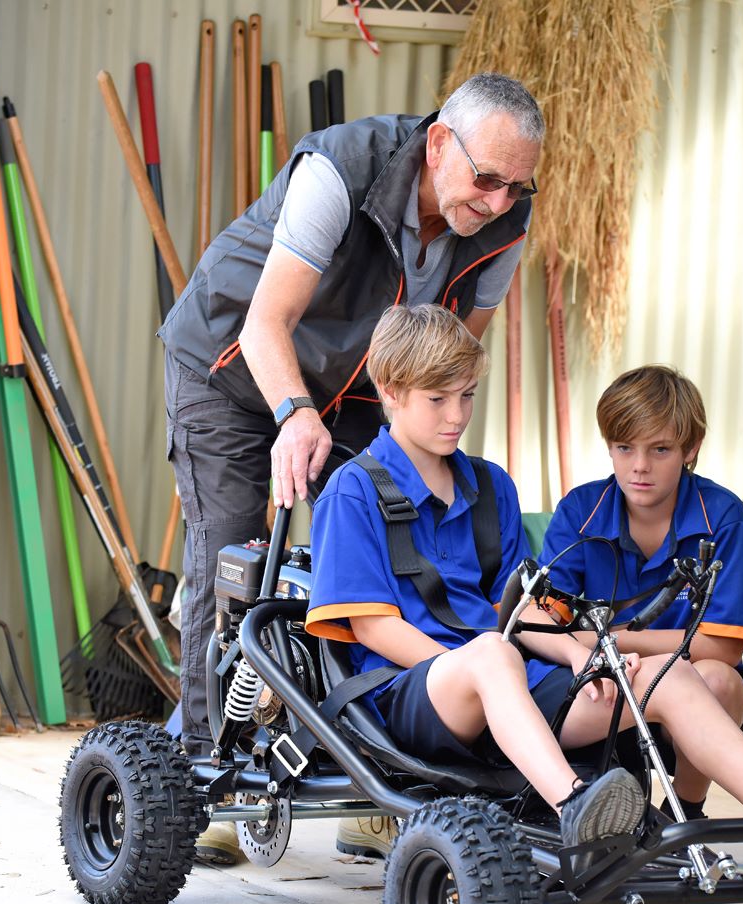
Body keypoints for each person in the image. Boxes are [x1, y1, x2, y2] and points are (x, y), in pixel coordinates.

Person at [305, 304, 743, 864]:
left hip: (511, 681)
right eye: (438, 400)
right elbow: (372, 626)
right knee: (490, 653)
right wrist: (484, 670)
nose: (458, 415)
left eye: (466, 396)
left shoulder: (491, 488)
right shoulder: (354, 491)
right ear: (389, 392)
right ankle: (575, 806)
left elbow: (526, 607)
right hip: (415, 694)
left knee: (661, 677)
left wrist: (577, 653)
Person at [158, 73, 542, 863]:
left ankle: (372, 770)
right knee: (236, 555)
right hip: (231, 367)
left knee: (383, 556)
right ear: (440, 144)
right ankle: (211, 776)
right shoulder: (339, 172)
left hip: (361, 385)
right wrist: (294, 414)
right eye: (487, 179)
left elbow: (450, 354)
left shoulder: (504, 222)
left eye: (518, 184)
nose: (500, 202)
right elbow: (268, 324)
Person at [538, 365, 743, 821]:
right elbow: (548, 621)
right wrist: (596, 649)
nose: (640, 467)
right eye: (624, 448)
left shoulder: (724, 516)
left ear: (690, 449)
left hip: (694, 692)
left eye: (660, 449)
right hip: (605, 687)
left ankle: (686, 812)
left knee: (720, 678)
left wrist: (613, 637)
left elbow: (724, 647)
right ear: (610, 447)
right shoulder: (580, 509)